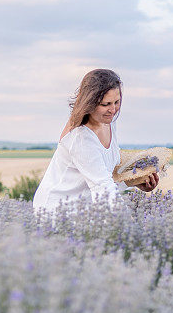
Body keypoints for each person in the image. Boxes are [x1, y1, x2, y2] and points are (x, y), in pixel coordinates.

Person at [33, 69, 159, 212]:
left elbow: (106, 170)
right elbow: (103, 188)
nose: (113, 110)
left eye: (116, 102)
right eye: (106, 104)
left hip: (84, 207)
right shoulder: (81, 138)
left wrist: (135, 181)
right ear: (89, 103)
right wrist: (127, 229)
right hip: (57, 210)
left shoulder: (108, 122)